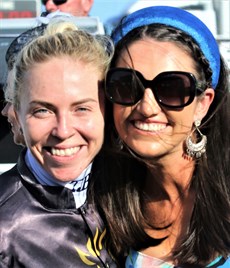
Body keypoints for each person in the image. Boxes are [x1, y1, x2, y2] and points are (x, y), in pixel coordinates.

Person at [101, 6, 230, 267]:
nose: (147, 108)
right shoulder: (97, 202)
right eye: (128, 84)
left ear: (203, 104)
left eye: (171, 88)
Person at [0, 18, 116, 267]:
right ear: (17, 116)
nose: (63, 131)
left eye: (82, 108)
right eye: (43, 110)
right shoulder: (5, 225)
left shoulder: (132, 188)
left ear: (106, 110)